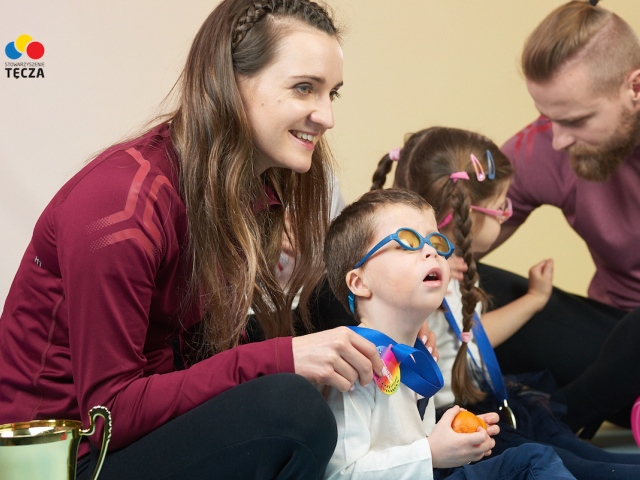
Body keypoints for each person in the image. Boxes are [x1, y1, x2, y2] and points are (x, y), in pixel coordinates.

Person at [0, 1, 390, 478]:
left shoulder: (244, 186)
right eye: (304, 88)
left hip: (146, 406)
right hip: (63, 459)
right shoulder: (119, 208)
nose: (326, 116)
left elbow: (202, 345)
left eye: (333, 94)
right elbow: (110, 416)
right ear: (228, 82)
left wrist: (387, 323)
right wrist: (282, 358)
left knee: (334, 307)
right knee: (292, 411)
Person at [369, 126, 640, 479]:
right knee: (570, 464)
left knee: (578, 453)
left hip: (483, 400)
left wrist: (534, 300)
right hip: (449, 418)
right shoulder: (414, 281)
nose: (507, 214)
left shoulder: (460, 265)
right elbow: (390, 351)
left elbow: (469, 340)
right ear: (465, 211)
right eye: (501, 207)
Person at [321, 187, 576, 480]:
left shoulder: (417, 356)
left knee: (531, 458)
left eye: (436, 241)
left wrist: (455, 441)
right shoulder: (352, 364)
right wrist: (430, 452)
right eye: (407, 243)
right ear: (359, 282)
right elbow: (340, 474)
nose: (431, 251)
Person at [473, 0, 640, 438]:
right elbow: (453, 243)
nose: (559, 139)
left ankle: (565, 411)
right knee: (449, 283)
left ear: (634, 88)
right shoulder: (545, 144)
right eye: (549, 118)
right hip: (607, 344)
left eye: (577, 119)